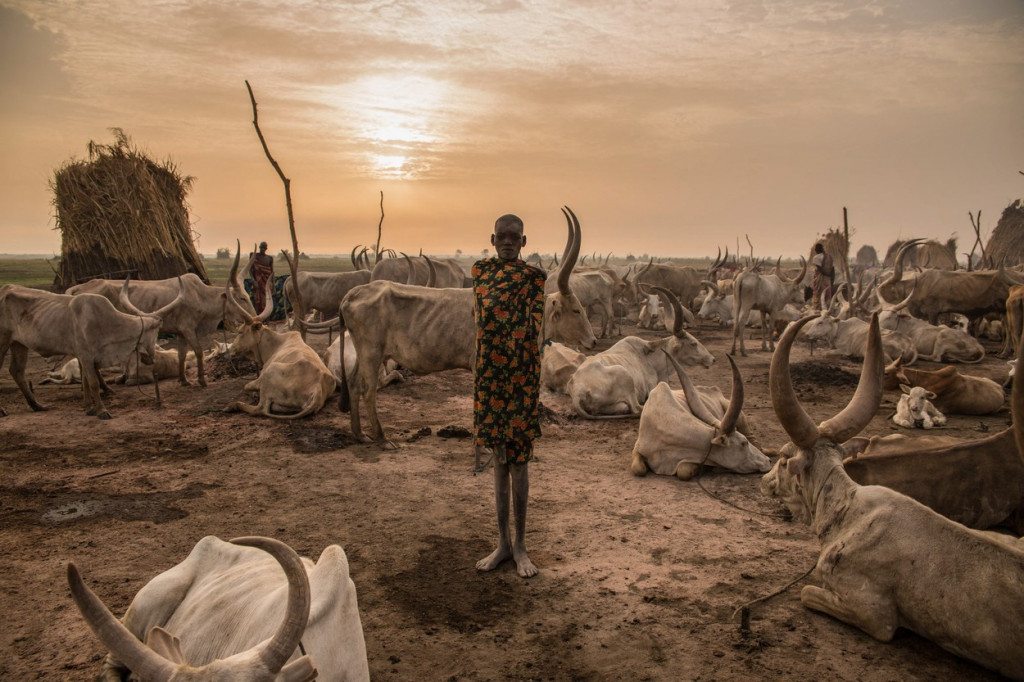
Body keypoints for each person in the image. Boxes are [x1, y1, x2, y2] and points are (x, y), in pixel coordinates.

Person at [472, 214, 547, 579]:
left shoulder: (533, 279)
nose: (507, 242)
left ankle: (521, 546)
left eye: (514, 237)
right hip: (489, 380)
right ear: (492, 238)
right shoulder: (480, 273)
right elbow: (480, 323)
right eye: (501, 236)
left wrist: (529, 382)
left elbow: (534, 331)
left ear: (523, 241)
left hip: (520, 379)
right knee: (499, 461)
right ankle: (502, 543)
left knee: (519, 463)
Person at [250, 241, 275, 314]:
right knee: (257, 300)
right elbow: (250, 270)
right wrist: (253, 280)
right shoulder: (254, 256)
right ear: (259, 248)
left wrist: (273, 284)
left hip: (267, 283)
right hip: (257, 283)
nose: (262, 249)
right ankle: (258, 316)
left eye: (264, 248)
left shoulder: (269, 258)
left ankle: (267, 318)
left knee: (267, 300)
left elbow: (272, 272)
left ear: (266, 249)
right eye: (261, 248)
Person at [811, 242, 835, 311]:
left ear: (816, 250)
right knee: (827, 295)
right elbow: (832, 269)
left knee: (818, 294)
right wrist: (831, 279)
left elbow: (820, 269)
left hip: (820, 279)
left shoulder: (816, 258)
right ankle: (827, 310)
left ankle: (818, 310)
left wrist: (827, 274)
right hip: (828, 279)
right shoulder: (829, 257)